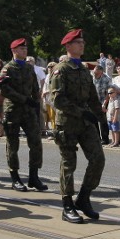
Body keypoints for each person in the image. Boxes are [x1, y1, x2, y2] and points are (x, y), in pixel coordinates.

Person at [49, 29, 106, 224]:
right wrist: (83, 112)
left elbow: (92, 97)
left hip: (86, 122)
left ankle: (83, 198)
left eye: (83, 41)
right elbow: (57, 100)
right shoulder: (61, 69)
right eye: (78, 42)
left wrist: (101, 116)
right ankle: (67, 205)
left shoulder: (83, 69)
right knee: (68, 164)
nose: (82, 44)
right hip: (67, 122)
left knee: (98, 158)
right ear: (68, 46)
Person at [0, 38, 47, 192]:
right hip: (13, 110)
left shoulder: (28, 67)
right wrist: (24, 99)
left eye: (25, 48)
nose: (25, 51)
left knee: (36, 142)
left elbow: (34, 87)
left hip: (28, 111)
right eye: (21, 49)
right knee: (13, 145)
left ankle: (34, 176)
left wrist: (36, 103)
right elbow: (4, 90)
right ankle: (15, 178)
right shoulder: (7, 69)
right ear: (14, 51)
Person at [91, 65, 112, 145]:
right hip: (93, 102)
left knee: (103, 121)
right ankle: (97, 137)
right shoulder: (92, 77)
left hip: (103, 102)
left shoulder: (107, 79)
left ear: (101, 72)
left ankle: (105, 139)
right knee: (93, 120)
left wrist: (104, 104)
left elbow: (108, 93)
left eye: (96, 73)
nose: (95, 75)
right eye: (94, 73)